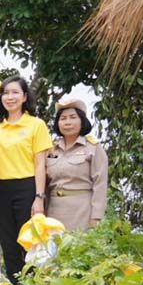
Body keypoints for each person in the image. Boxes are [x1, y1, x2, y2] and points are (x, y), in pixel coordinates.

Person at [0, 75, 52, 285]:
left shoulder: (36, 125)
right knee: (9, 247)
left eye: (15, 92)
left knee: (28, 246)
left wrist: (39, 197)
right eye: (5, 93)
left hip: (26, 188)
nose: (10, 97)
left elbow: (40, 165)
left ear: (25, 97)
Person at [46, 95, 108, 233]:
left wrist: (96, 218)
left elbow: (100, 185)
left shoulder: (93, 148)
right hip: (53, 213)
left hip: (82, 211)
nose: (67, 122)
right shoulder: (50, 148)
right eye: (63, 118)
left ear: (82, 121)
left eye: (73, 117)